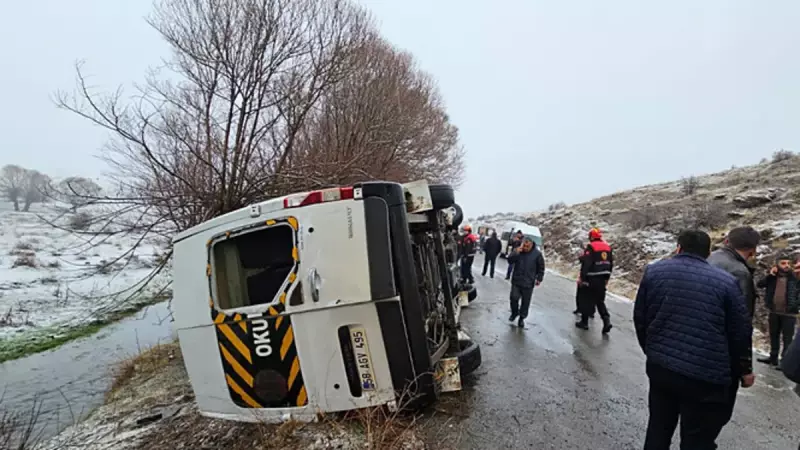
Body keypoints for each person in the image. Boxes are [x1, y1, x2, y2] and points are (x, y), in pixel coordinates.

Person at [634, 230, 754, 450]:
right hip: (705, 376)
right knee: (696, 439)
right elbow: (740, 332)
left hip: (662, 368)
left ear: (678, 247)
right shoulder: (727, 283)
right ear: (708, 252)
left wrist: (651, 350)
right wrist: (743, 369)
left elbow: (641, 317)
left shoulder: (654, 271)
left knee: (658, 429)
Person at [707, 226, 761, 319]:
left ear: (727, 241)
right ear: (753, 249)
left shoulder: (709, 257)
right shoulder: (740, 272)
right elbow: (743, 313)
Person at [756, 253, 799, 368]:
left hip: (789, 313)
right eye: (783, 263)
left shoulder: (794, 277)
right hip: (774, 311)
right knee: (773, 335)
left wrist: (796, 305)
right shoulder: (773, 278)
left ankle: (784, 361)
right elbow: (760, 285)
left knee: (787, 338)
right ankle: (773, 357)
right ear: (777, 265)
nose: (786, 266)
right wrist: (770, 275)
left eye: (788, 263)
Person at [575, 228, 614, 333]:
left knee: (586, 299)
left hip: (591, 278)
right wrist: (607, 278)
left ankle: (584, 322)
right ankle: (606, 321)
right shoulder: (607, 247)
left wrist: (582, 278)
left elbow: (587, 263)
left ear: (591, 237)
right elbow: (610, 263)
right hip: (603, 278)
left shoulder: (591, 247)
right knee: (600, 301)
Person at [507, 238, 545, 328]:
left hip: (528, 282)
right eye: (524, 245)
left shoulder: (537, 254)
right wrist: (516, 252)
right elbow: (510, 260)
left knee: (525, 302)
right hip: (517, 280)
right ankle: (514, 313)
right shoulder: (518, 251)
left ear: (532, 245)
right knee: (513, 298)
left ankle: (522, 318)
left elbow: (541, 267)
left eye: (528, 246)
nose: (526, 247)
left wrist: (539, 278)